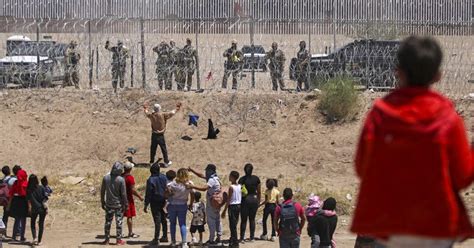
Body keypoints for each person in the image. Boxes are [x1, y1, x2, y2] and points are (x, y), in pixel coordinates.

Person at [351, 36, 474, 247]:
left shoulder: (379, 116)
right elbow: (463, 178)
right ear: (437, 75)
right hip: (437, 226)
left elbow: (363, 168)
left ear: (398, 71)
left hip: (389, 223)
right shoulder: (448, 119)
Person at [188, 164, 223, 245]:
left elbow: (204, 188)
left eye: (207, 170)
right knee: (217, 219)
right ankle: (219, 237)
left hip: (212, 203)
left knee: (211, 221)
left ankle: (211, 240)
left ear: (211, 171)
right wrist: (192, 170)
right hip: (217, 202)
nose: (206, 172)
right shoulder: (216, 178)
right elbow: (201, 175)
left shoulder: (211, 180)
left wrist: (193, 186)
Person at [143, 101, 182, 167]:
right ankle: (166, 162)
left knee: (153, 149)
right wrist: (177, 108)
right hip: (160, 135)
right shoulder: (163, 114)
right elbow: (172, 113)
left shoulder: (152, 115)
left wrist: (145, 108)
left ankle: (151, 162)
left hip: (154, 135)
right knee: (164, 149)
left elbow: (146, 113)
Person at [100, 162, 128, 246]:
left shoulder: (106, 178)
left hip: (109, 204)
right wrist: (126, 204)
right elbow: (123, 194)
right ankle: (118, 240)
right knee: (119, 223)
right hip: (118, 205)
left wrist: (102, 201)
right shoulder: (121, 179)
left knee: (108, 222)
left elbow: (102, 191)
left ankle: (106, 240)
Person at [167, 168, 194, 248]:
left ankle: (173, 242)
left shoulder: (173, 183)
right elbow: (192, 194)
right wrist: (191, 204)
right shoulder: (189, 183)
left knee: (172, 224)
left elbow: (167, 192)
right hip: (183, 204)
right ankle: (184, 242)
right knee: (182, 224)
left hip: (172, 204)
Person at [144, 163, 168, 246]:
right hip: (164, 200)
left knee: (157, 220)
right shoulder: (164, 177)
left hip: (155, 202)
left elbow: (148, 193)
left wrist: (146, 204)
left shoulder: (150, 180)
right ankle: (165, 236)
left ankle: (156, 238)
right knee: (163, 219)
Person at [238, 163, 261, 242]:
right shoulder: (256, 179)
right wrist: (258, 201)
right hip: (254, 200)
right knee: (252, 219)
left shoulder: (241, 179)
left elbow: (239, 192)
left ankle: (242, 237)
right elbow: (259, 191)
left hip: (245, 200)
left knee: (243, 220)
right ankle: (252, 237)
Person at [122, 162, 143, 239]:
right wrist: (139, 197)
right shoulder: (130, 178)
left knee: (120, 216)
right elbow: (132, 190)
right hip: (128, 199)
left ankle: (120, 232)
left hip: (121, 198)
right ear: (130, 169)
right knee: (129, 216)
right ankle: (130, 232)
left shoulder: (121, 176)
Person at [221, 171, 241, 247]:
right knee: (234, 224)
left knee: (232, 225)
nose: (229, 177)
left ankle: (235, 243)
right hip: (238, 206)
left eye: (230, 176)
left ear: (232, 177)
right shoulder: (239, 186)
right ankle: (233, 239)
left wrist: (224, 210)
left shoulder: (231, 187)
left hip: (232, 206)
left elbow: (229, 200)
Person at [26, 174, 48, 246]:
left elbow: (28, 200)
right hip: (42, 208)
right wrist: (45, 207)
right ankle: (39, 241)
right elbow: (45, 197)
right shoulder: (41, 187)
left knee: (32, 223)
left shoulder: (28, 190)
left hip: (34, 208)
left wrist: (29, 208)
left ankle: (34, 237)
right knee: (41, 224)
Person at [8, 167, 27, 242]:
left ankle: (14, 236)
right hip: (24, 202)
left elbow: (11, 194)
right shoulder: (26, 183)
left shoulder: (16, 183)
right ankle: (22, 236)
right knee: (23, 220)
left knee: (17, 220)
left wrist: (9, 205)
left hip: (16, 202)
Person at [160, 169, 177, 243]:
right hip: (174, 203)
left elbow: (165, 194)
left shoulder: (165, 184)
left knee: (164, 220)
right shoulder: (175, 183)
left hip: (166, 203)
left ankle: (165, 235)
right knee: (172, 219)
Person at [1, 165, 14, 232]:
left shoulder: (2, 180)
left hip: (4, 200)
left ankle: (3, 231)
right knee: (16, 216)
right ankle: (17, 232)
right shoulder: (12, 180)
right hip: (11, 200)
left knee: (5, 215)